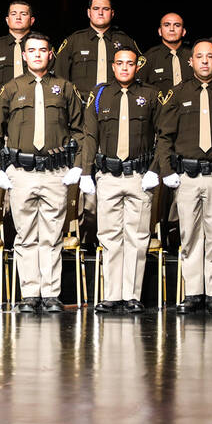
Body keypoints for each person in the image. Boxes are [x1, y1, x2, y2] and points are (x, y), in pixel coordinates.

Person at [0, 33, 88, 313]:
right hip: (22, 172)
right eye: (32, 50)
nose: (37, 55)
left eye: (43, 50)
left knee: (52, 234)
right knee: (26, 235)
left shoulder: (65, 88)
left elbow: (81, 130)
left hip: (56, 171)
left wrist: (78, 165)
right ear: (23, 55)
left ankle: (51, 293)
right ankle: (30, 293)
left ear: (51, 54)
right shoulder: (10, 88)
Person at [155, 39, 212, 314]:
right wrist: (167, 172)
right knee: (190, 235)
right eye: (199, 57)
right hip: (187, 176)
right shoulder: (178, 93)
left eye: (210, 57)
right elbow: (164, 137)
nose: (205, 61)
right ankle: (193, 292)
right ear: (190, 61)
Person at [85, 47, 161, 313]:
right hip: (108, 174)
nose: (125, 68)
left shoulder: (150, 95)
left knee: (137, 238)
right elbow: (90, 136)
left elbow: (162, 135)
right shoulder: (100, 94)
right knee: (110, 237)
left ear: (137, 66)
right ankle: (112, 295)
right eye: (120, 63)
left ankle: (132, 295)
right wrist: (86, 172)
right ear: (113, 66)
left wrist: (155, 169)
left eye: (130, 63)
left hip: (139, 175)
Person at [54, 0, 138, 96]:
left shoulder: (126, 41)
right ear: (89, 13)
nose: (101, 13)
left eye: (105, 9)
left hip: (117, 104)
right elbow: (59, 77)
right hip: (82, 106)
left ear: (112, 13)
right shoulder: (73, 41)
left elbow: (140, 74)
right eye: (96, 8)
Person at [0, 0, 36, 95]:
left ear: (32, 20)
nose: (18, 17)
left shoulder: (42, 48)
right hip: (2, 107)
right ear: (7, 20)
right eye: (13, 14)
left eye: (23, 14)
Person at [139, 12, 192, 92]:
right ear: (160, 31)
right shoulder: (149, 58)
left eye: (177, 25)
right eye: (167, 25)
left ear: (183, 32)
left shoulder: (194, 56)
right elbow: (138, 89)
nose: (171, 29)